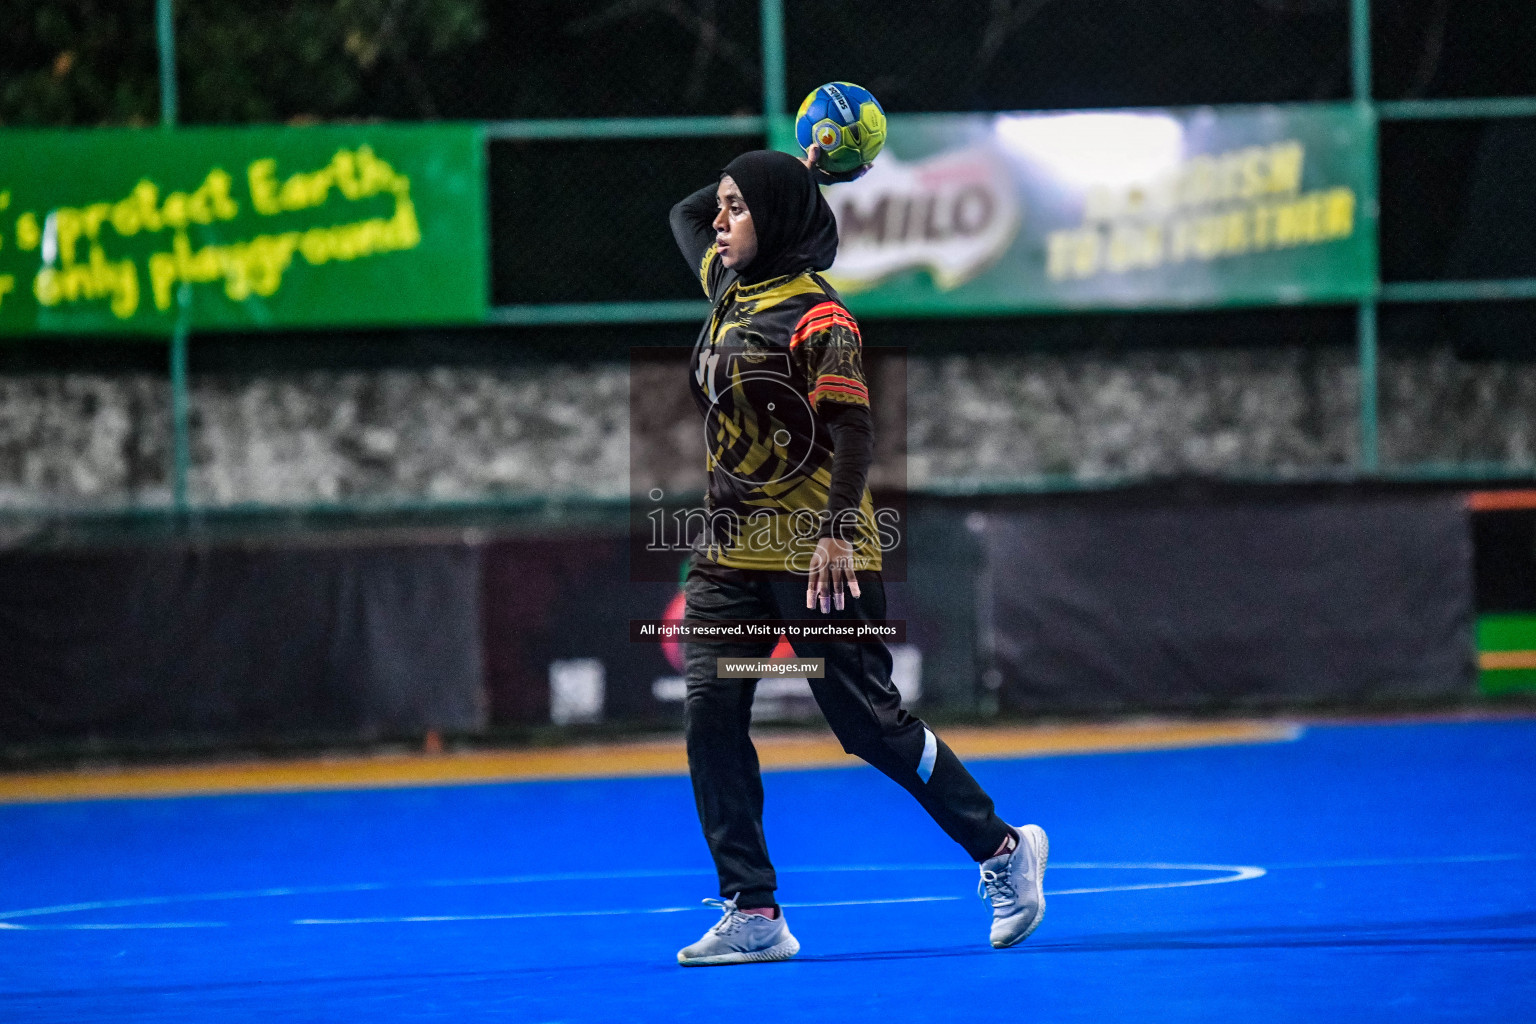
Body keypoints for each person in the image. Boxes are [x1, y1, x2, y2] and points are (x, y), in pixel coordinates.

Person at [666, 146, 1048, 967]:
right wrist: (796, 169)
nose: (721, 220)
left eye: (740, 208)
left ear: (775, 221)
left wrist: (838, 530)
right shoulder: (730, 284)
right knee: (711, 710)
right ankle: (753, 910)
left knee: (867, 725)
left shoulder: (819, 316)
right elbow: (683, 216)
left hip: (816, 551)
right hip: (731, 551)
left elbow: (853, 430)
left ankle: (1004, 850)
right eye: (726, 206)